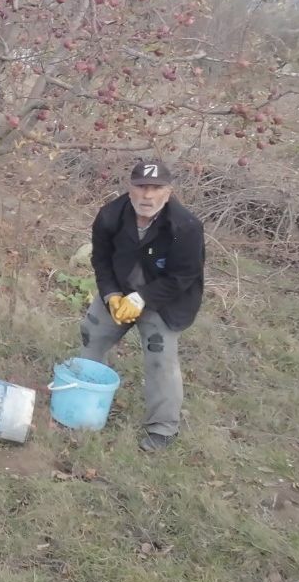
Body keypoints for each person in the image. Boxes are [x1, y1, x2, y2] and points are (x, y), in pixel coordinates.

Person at [78, 159, 205, 452]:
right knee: (91, 335)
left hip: (164, 302)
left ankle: (162, 428)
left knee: (161, 358)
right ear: (130, 188)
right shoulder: (110, 216)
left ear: (168, 192)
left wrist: (143, 298)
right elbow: (101, 260)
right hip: (120, 293)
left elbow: (184, 275)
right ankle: (86, 402)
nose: (147, 196)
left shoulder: (184, 227)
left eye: (155, 188)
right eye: (141, 187)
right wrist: (110, 295)